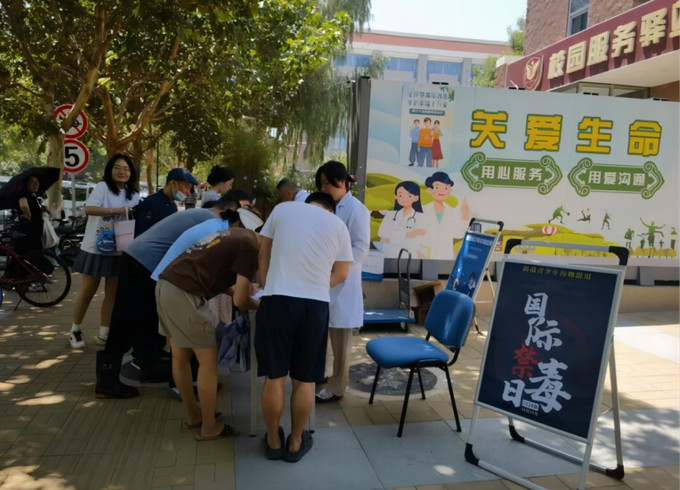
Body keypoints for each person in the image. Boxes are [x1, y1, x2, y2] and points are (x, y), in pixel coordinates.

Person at [256, 192, 352, 462]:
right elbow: (342, 273)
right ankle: (296, 442)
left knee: (274, 377)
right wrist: (316, 285)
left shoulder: (283, 209)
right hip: (314, 306)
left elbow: (263, 250)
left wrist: (267, 282)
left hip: (276, 300)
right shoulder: (338, 225)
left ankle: (273, 441)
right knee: (305, 379)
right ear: (330, 210)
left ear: (307, 203)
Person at [95, 203, 228, 398]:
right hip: (144, 263)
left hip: (139, 259)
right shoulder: (214, 224)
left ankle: (149, 367)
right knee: (128, 319)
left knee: (146, 318)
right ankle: (107, 382)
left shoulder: (204, 215)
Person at [157, 225, 260, 441]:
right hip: (185, 293)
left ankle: (195, 416)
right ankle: (209, 428)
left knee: (180, 356)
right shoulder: (251, 246)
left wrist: (237, 292)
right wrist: (262, 305)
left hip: (166, 285)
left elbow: (215, 276)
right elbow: (240, 300)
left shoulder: (237, 234)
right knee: (208, 362)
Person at [69, 154, 140, 348]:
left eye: (126, 168)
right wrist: (116, 211)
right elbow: (89, 209)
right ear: (110, 170)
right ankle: (75, 330)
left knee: (112, 294)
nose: (122, 171)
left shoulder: (133, 194)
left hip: (119, 250)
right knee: (88, 291)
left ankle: (104, 333)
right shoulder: (102, 188)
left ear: (131, 172)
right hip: (95, 248)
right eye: (117, 167)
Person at [314, 161, 370, 403]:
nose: (324, 188)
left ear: (344, 182)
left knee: (341, 341)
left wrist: (337, 265)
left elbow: (361, 248)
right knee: (324, 336)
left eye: (328, 183)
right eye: (321, 184)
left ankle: (337, 388)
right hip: (323, 280)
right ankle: (324, 376)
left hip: (343, 283)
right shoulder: (325, 207)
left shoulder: (356, 209)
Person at [133, 168, 198, 237]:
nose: (188, 193)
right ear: (173, 183)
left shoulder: (173, 206)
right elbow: (142, 235)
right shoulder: (150, 204)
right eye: (187, 187)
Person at [421, 171, 469, 260]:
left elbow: (459, 233)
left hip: (445, 255)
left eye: (446, 188)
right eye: (437, 187)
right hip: (424, 254)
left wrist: (465, 215)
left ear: (450, 190)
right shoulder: (423, 210)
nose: (442, 191)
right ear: (430, 190)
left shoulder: (452, 212)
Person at [377, 181, 426, 258]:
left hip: (409, 256)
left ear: (416, 198)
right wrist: (408, 234)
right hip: (388, 254)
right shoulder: (390, 215)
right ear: (396, 196)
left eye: (409, 196)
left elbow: (415, 242)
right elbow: (382, 234)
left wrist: (391, 239)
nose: (404, 199)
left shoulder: (421, 217)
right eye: (400, 195)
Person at [14, 174, 47, 255]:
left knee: (34, 254)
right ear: (26, 184)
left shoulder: (33, 195)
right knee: (29, 254)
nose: (36, 185)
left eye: (37, 182)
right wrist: (28, 215)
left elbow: (33, 209)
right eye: (32, 182)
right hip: (29, 232)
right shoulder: (23, 194)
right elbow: (23, 205)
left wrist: (41, 209)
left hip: (35, 231)